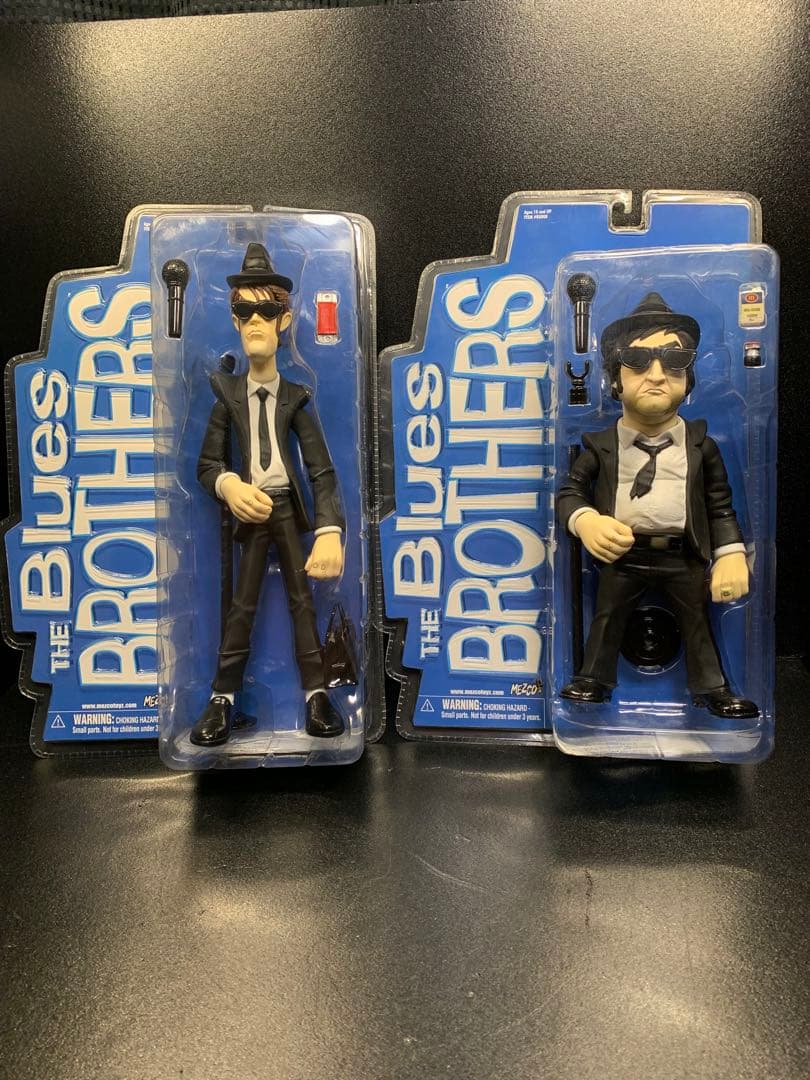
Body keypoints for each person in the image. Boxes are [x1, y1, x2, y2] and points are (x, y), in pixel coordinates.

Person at [557, 291, 758, 720]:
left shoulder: (701, 447)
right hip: (623, 556)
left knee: (698, 621)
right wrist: (586, 521)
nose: (656, 375)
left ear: (688, 380)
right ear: (614, 380)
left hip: (683, 557)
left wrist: (731, 555)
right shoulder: (602, 446)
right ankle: (593, 679)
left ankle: (714, 689)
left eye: (674, 362)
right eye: (637, 361)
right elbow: (569, 493)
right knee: (607, 617)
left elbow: (720, 507)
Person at [192, 243, 345, 746]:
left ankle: (316, 695)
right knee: (242, 606)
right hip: (251, 511)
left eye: (267, 309)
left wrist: (329, 531)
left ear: (285, 319)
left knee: (303, 603)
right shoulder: (226, 395)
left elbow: (322, 470)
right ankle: (222, 698)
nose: (255, 320)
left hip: (287, 511)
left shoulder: (297, 398)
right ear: (234, 318)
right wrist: (229, 485)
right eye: (244, 310)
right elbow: (207, 464)